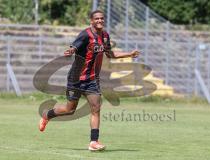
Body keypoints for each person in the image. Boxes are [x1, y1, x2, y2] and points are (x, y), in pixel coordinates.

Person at [39, 10, 139, 151]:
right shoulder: (86, 34)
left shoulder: (105, 36)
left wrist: (129, 54)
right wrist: (71, 51)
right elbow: (75, 46)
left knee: (96, 108)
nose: (100, 21)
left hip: (92, 80)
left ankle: (94, 142)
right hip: (76, 78)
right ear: (91, 21)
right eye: (97, 19)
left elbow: (109, 54)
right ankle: (47, 115)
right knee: (70, 109)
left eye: (102, 18)